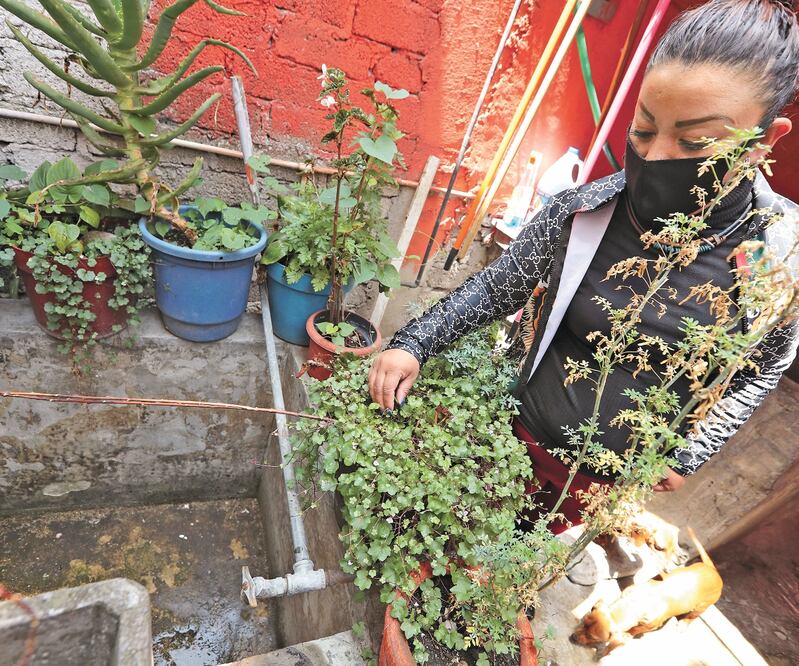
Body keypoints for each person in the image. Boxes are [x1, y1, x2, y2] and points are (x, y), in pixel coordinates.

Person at [368, 0, 799, 533]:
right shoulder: (586, 212)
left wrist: (691, 451)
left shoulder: (775, 258)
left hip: (596, 486)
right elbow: (500, 286)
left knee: (521, 556)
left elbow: (762, 366)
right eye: (643, 129)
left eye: (695, 142)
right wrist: (414, 342)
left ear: (766, 141)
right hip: (510, 434)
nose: (655, 158)